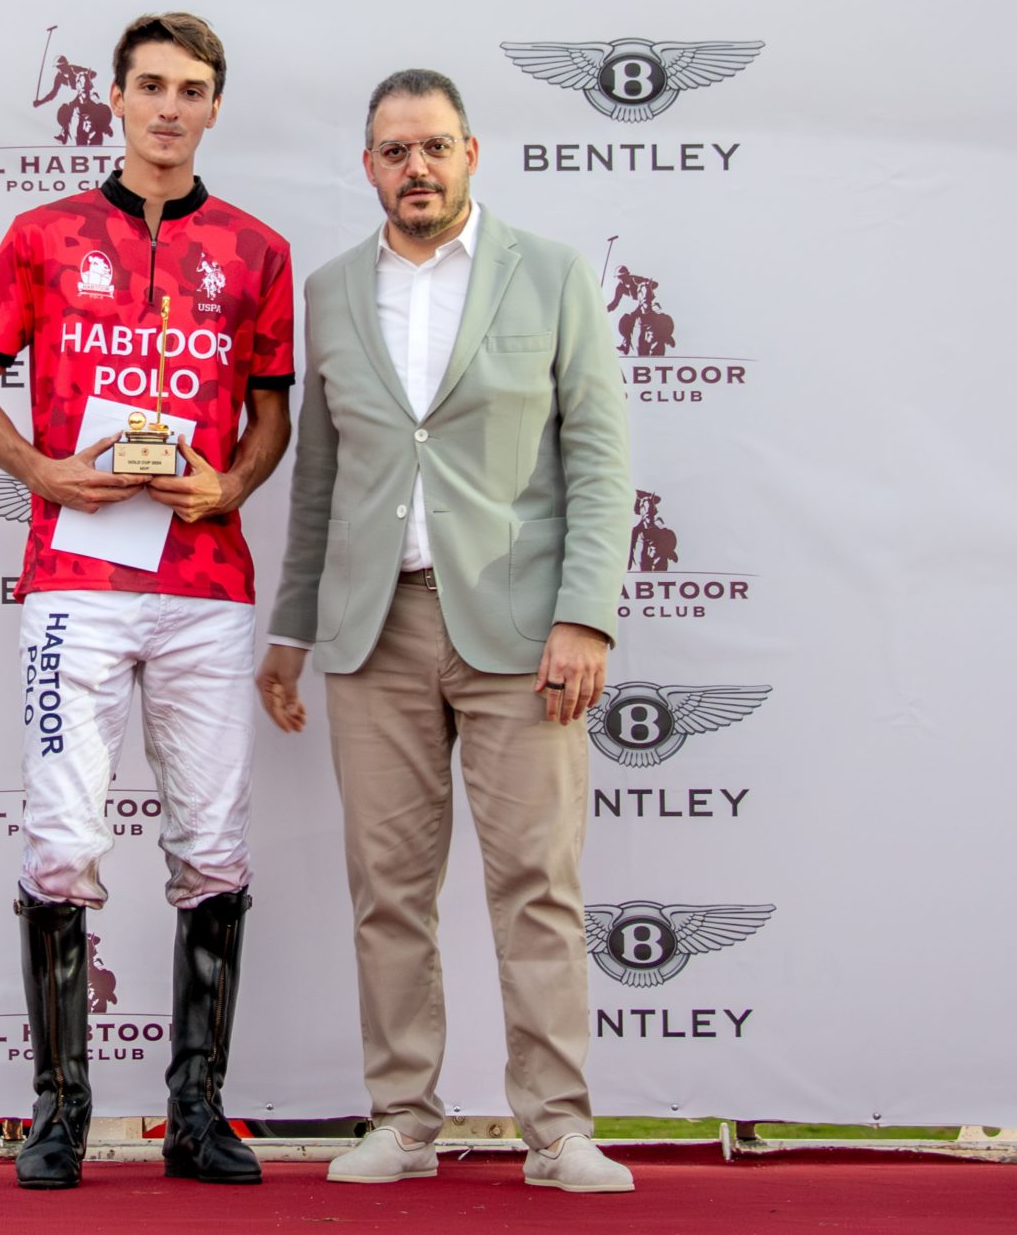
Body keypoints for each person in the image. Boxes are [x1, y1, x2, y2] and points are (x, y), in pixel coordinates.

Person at [257, 70, 636, 1193]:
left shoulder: (552, 275)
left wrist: (585, 617)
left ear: (471, 152)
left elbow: (599, 456)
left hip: (520, 634)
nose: (414, 168)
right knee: (388, 889)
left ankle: (557, 1129)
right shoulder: (332, 291)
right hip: (372, 633)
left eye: (432, 146)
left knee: (536, 884)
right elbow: (319, 479)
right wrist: (292, 629)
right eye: (393, 151)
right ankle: (401, 1120)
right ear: (368, 167)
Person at [0, 12, 295, 1191]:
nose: (168, 107)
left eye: (190, 89)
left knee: (214, 845)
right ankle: (59, 1112)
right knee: (60, 843)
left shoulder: (256, 250)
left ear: (214, 106)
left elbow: (272, 415)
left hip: (205, 589)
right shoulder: (42, 235)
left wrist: (232, 485)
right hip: (75, 587)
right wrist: (40, 471)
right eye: (150, 86)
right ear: (115, 97)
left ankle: (196, 1113)